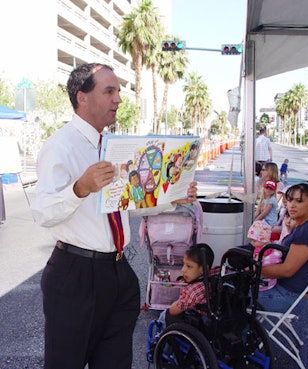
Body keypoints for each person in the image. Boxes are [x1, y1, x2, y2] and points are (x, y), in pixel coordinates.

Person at [31, 63, 198, 369]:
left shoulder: (112, 145)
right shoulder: (60, 146)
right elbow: (43, 213)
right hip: (76, 275)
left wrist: (174, 196)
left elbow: (128, 202)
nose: (118, 99)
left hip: (118, 272)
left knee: (115, 362)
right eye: (109, 91)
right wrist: (79, 188)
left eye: (118, 91)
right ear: (82, 98)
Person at [257, 183, 308, 313]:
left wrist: (254, 270)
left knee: (232, 295)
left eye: (299, 201)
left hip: (289, 296)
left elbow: (287, 270)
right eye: (289, 200)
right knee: (232, 290)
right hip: (285, 290)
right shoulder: (303, 226)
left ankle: (240, 333)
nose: (292, 205)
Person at [157, 243, 217, 327]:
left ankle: (159, 335)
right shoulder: (216, 273)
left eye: (189, 266)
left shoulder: (193, 291)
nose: (183, 270)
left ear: (203, 269)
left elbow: (173, 311)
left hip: (201, 322)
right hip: (214, 316)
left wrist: (175, 304)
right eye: (184, 264)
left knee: (165, 314)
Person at [247, 220, 283, 291]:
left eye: (254, 241)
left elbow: (258, 261)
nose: (252, 243)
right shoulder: (265, 246)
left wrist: (250, 266)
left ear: (263, 240)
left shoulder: (263, 250)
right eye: (251, 240)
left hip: (263, 281)